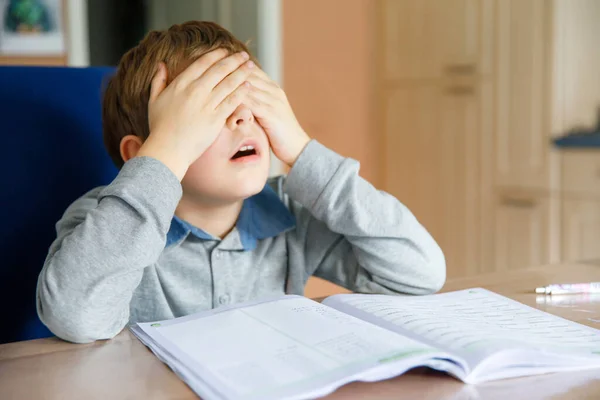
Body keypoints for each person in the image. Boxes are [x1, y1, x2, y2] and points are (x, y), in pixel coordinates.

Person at [36, 21, 446, 343]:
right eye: (211, 109)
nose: (242, 117)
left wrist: (302, 151)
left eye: (252, 102)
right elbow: (75, 317)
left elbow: (418, 273)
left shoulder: (289, 214)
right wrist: (164, 156)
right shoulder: (106, 220)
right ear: (142, 152)